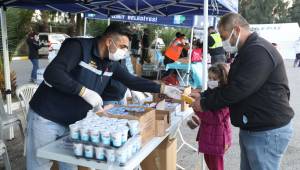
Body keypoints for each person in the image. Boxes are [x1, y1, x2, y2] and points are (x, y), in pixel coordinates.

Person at [27, 23, 182, 170]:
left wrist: (162, 88)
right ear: (109, 41)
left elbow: (130, 80)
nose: (125, 52)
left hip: (73, 122)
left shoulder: (111, 62)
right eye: (122, 46)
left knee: (69, 165)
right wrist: (83, 91)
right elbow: (53, 73)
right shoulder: (78, 47)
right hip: (47, 116)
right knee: (40, 163)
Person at [192, 13, 294, 170]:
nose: (224, 41)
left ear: (237, 30)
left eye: (224, 36)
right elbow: (230, 84)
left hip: (266, 130)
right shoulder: (247, 50)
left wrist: (205, 103)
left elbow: (238, 89)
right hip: (255, 127)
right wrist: (204, 95)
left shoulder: (258, 51)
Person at [188, 63, 231, 170]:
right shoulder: (211, 92)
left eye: (214, 78)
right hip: (210, 137)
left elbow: (215, 118)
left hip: (217, 139)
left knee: (216, 166)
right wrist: (198, 96)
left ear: (222, 80)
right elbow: (205, 95)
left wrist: (197, 108)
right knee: (210, 164)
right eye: (209, 78)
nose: (210, 80)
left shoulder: (225, 97)